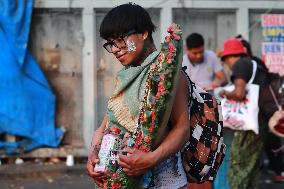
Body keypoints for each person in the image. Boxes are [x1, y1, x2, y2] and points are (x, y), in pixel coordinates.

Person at [86, 3, 190, 189]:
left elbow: (182, 129)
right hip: (118, 178)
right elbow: (106, 124)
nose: (115, 49)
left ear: (143, 33)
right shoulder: (126, 75)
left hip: (162, 179)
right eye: (110, 44)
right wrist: (93, 155)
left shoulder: (167, 73)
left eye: (119, 39)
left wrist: (149, 159)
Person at [214, 38, 269, 189]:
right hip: (260, 123)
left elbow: (239, 93)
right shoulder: (256, 65)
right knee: (251, 169)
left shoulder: (240, 64)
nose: (228, 66)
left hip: (246, 127)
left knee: (237, 169)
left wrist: (225, 93)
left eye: (226, 61)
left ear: (230, 57)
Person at [236, 35, 284, 182]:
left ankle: (275, 170)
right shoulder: (249, 63)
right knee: (264, 142)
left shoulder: (252, 63)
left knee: (267, 141)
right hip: (256, 111)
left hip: (257, 110)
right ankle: (272, 170)